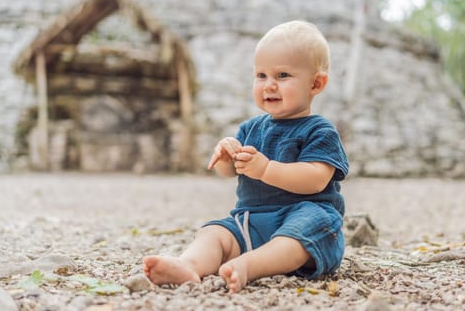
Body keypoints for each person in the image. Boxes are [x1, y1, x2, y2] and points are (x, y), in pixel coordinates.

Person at [143, 20, 349, 293]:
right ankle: (189, 264)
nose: (269, 85)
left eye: (283, 75)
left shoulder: (319, 130)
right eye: (261, 75)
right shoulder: (251, 128)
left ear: (316, 83)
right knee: (214, 233)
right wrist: (227, 157)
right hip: (253, 220)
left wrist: (266, 170)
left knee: (300, 235)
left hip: (305, 216)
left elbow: (315, 180)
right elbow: (230, 172)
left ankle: (248, 265)